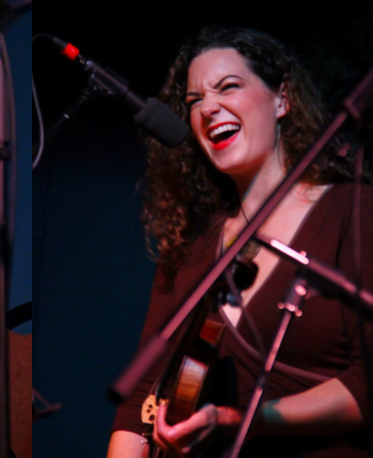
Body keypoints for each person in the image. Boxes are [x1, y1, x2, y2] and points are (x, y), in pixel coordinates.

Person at [108, 27, 372, 458]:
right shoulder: (190, 247)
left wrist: (242, 419)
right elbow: (141, 400)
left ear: (282, 98)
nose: (208, 108)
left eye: (228, 86)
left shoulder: (354, 211)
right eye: (194, 102)